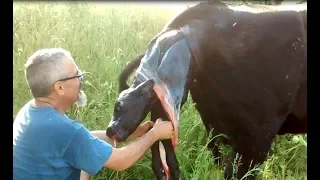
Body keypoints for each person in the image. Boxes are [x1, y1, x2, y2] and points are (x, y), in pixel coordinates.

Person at [13, 48, 174, 180]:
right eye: (77, 75)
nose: (81, 79)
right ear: (59, 88)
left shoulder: (30, 111)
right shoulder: (66, 131)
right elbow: (121, 161)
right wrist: (154, 134)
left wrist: (137, 132)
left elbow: (84, 140)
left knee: (88, 156)